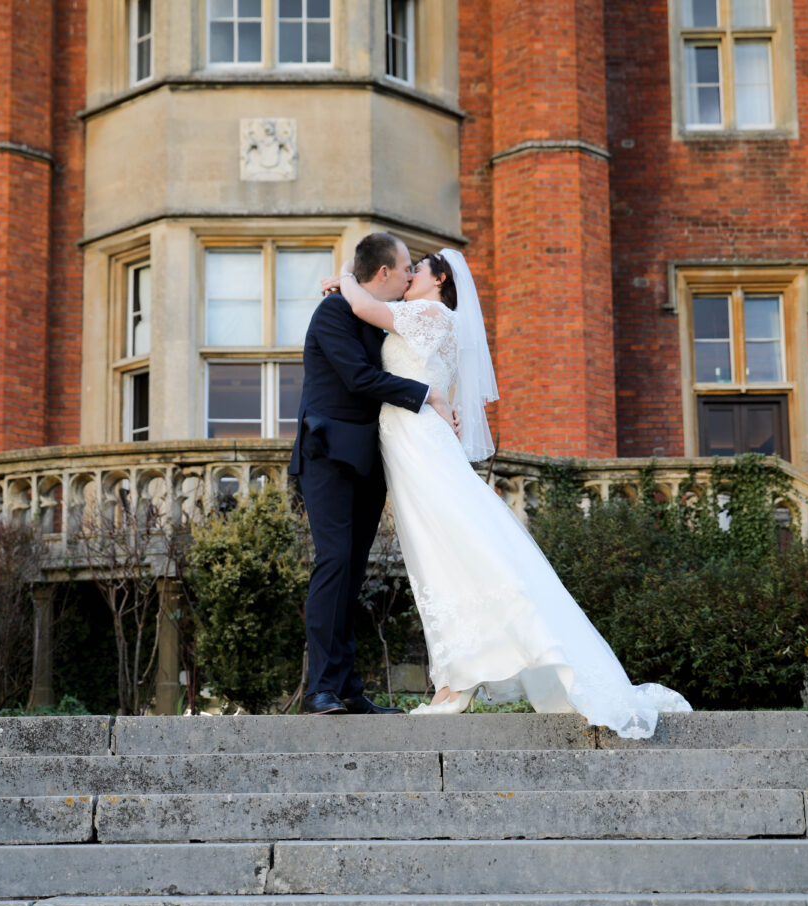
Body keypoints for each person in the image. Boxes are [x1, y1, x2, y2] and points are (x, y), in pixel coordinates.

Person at [324, 246, 692, 738]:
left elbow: (366, 308)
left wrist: (344, 276)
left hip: (418, 445)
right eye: (407, 269)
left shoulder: (430, 313)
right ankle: (455, 677)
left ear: (440, 281)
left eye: (419, 270)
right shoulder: (429, 317)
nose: (409, 276)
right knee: (439, 553)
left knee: (447, 554)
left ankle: (457, 680)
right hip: (410, 441)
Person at [288, 232, 460, 716]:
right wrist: (428, 397)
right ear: (384, 272)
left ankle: (346, 687)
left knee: (352, 572)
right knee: (334, 563)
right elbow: (360, 380)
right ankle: (320, 688)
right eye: (406, 268)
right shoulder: (334, 312)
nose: (410, 276)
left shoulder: (380, 319)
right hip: (327, 456)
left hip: (368, 461)